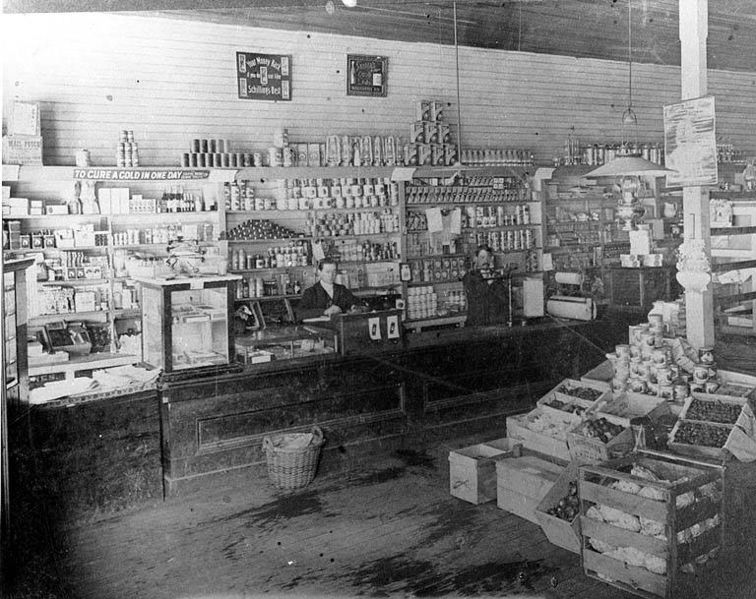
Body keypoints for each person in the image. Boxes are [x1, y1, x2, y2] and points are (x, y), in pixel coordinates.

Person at [297, 258, 362, 321]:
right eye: (327, 272)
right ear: (319, 272)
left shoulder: (342, 290)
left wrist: (355, 308)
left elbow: (358, 304)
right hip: (319, 328)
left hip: (341, 327)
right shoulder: (311, 292)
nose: (331, 275)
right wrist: (324, 312)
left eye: (334, 271)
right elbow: (300, 314)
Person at [462, 245, 510, 326]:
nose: (485, 261)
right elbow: (477, 295)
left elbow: (504, 299)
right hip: (477, 324)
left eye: (488, 257)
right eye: (482, 257)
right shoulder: (469, 277)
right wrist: (490, 282)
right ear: (476, 259)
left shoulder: (496, 276)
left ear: (491, 259)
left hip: (493, 323)